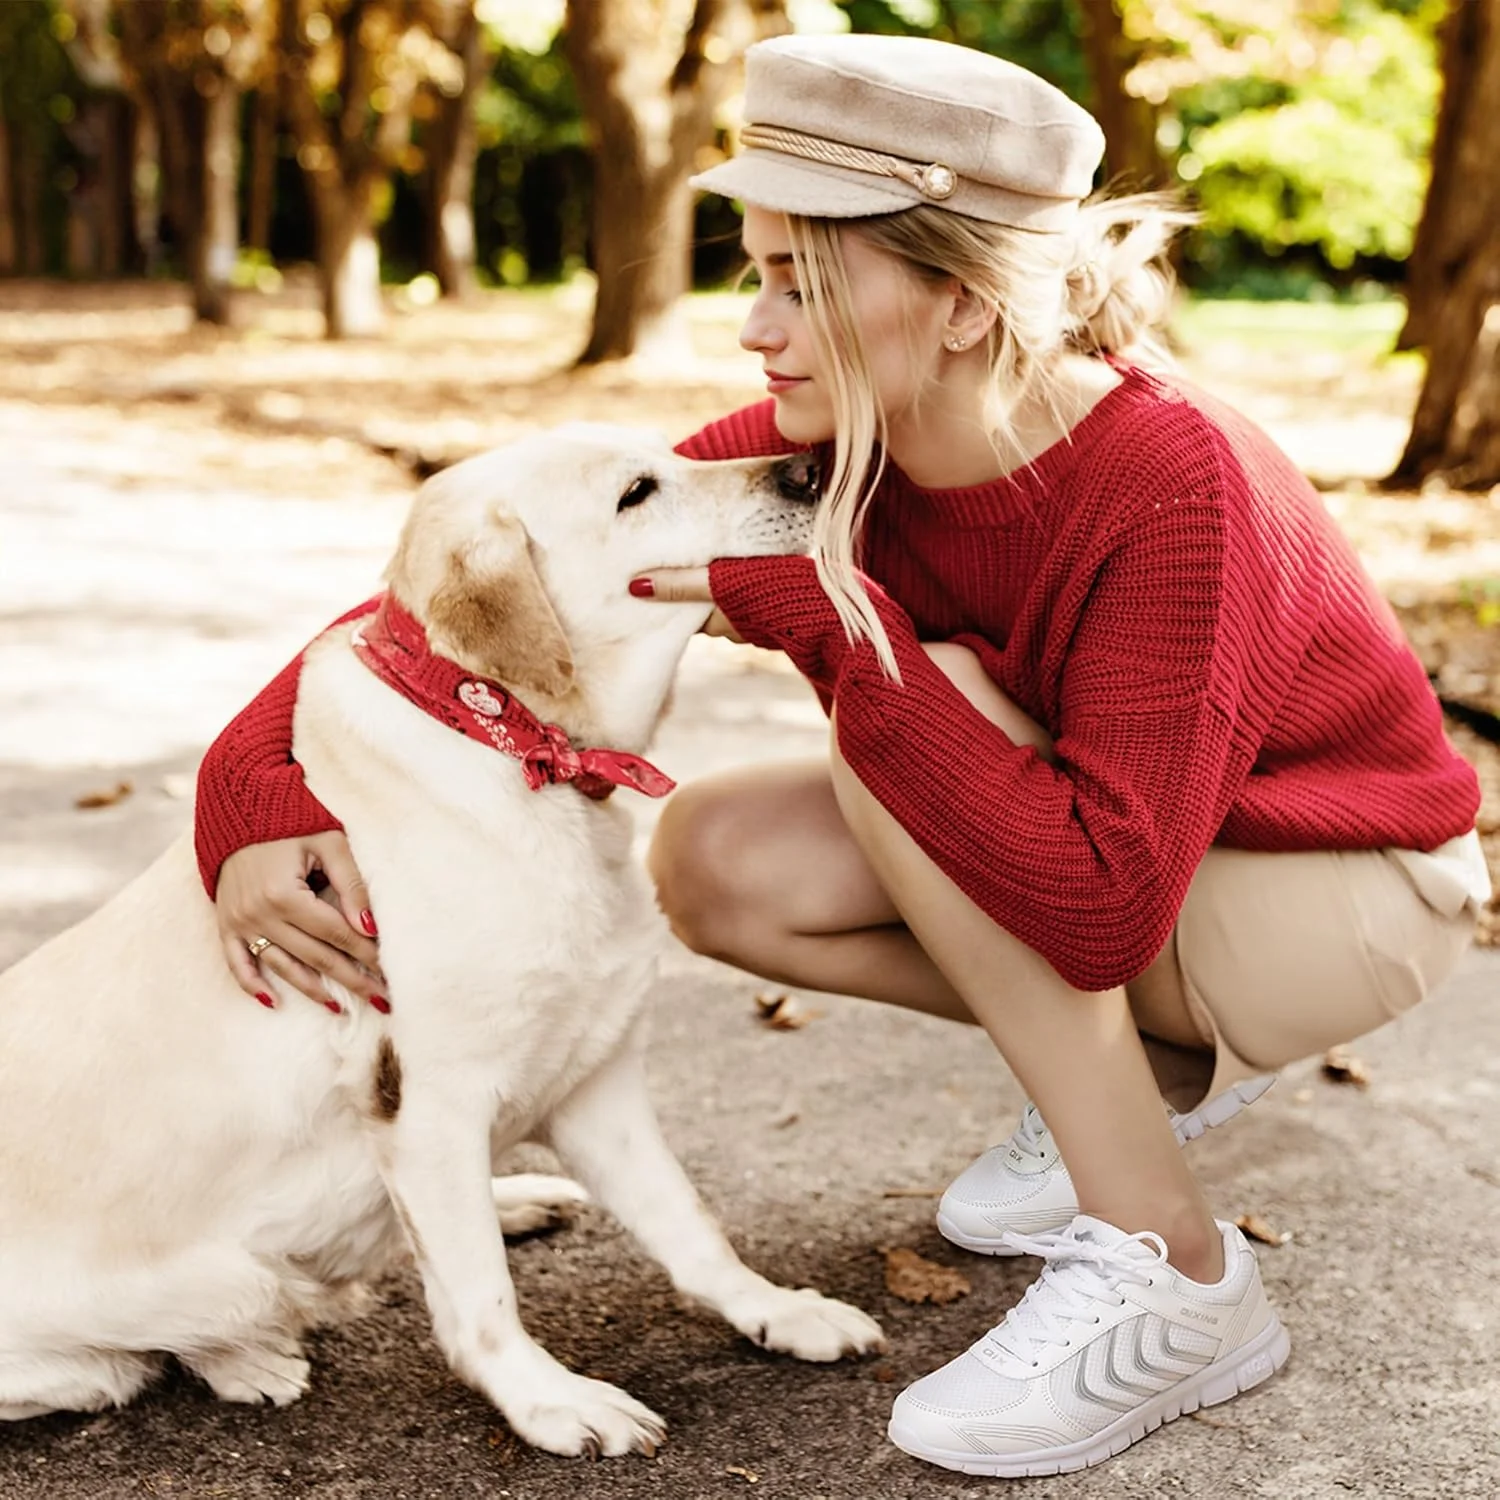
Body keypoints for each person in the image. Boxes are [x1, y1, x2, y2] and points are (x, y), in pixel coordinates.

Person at [194, 32, 1488, 1479]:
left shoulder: (1173, 484)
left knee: (906, 699)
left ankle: (1178, 1274)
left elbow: (1101, 905)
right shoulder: (845, 443)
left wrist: (842, 628)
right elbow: (484, 585)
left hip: (1343, 889)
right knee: (719, 860)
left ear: (955, 302)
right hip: (1136, 854)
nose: (756, 327)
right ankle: (1141, 1080)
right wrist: (252, 795)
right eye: (754, 273)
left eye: (800, 283)